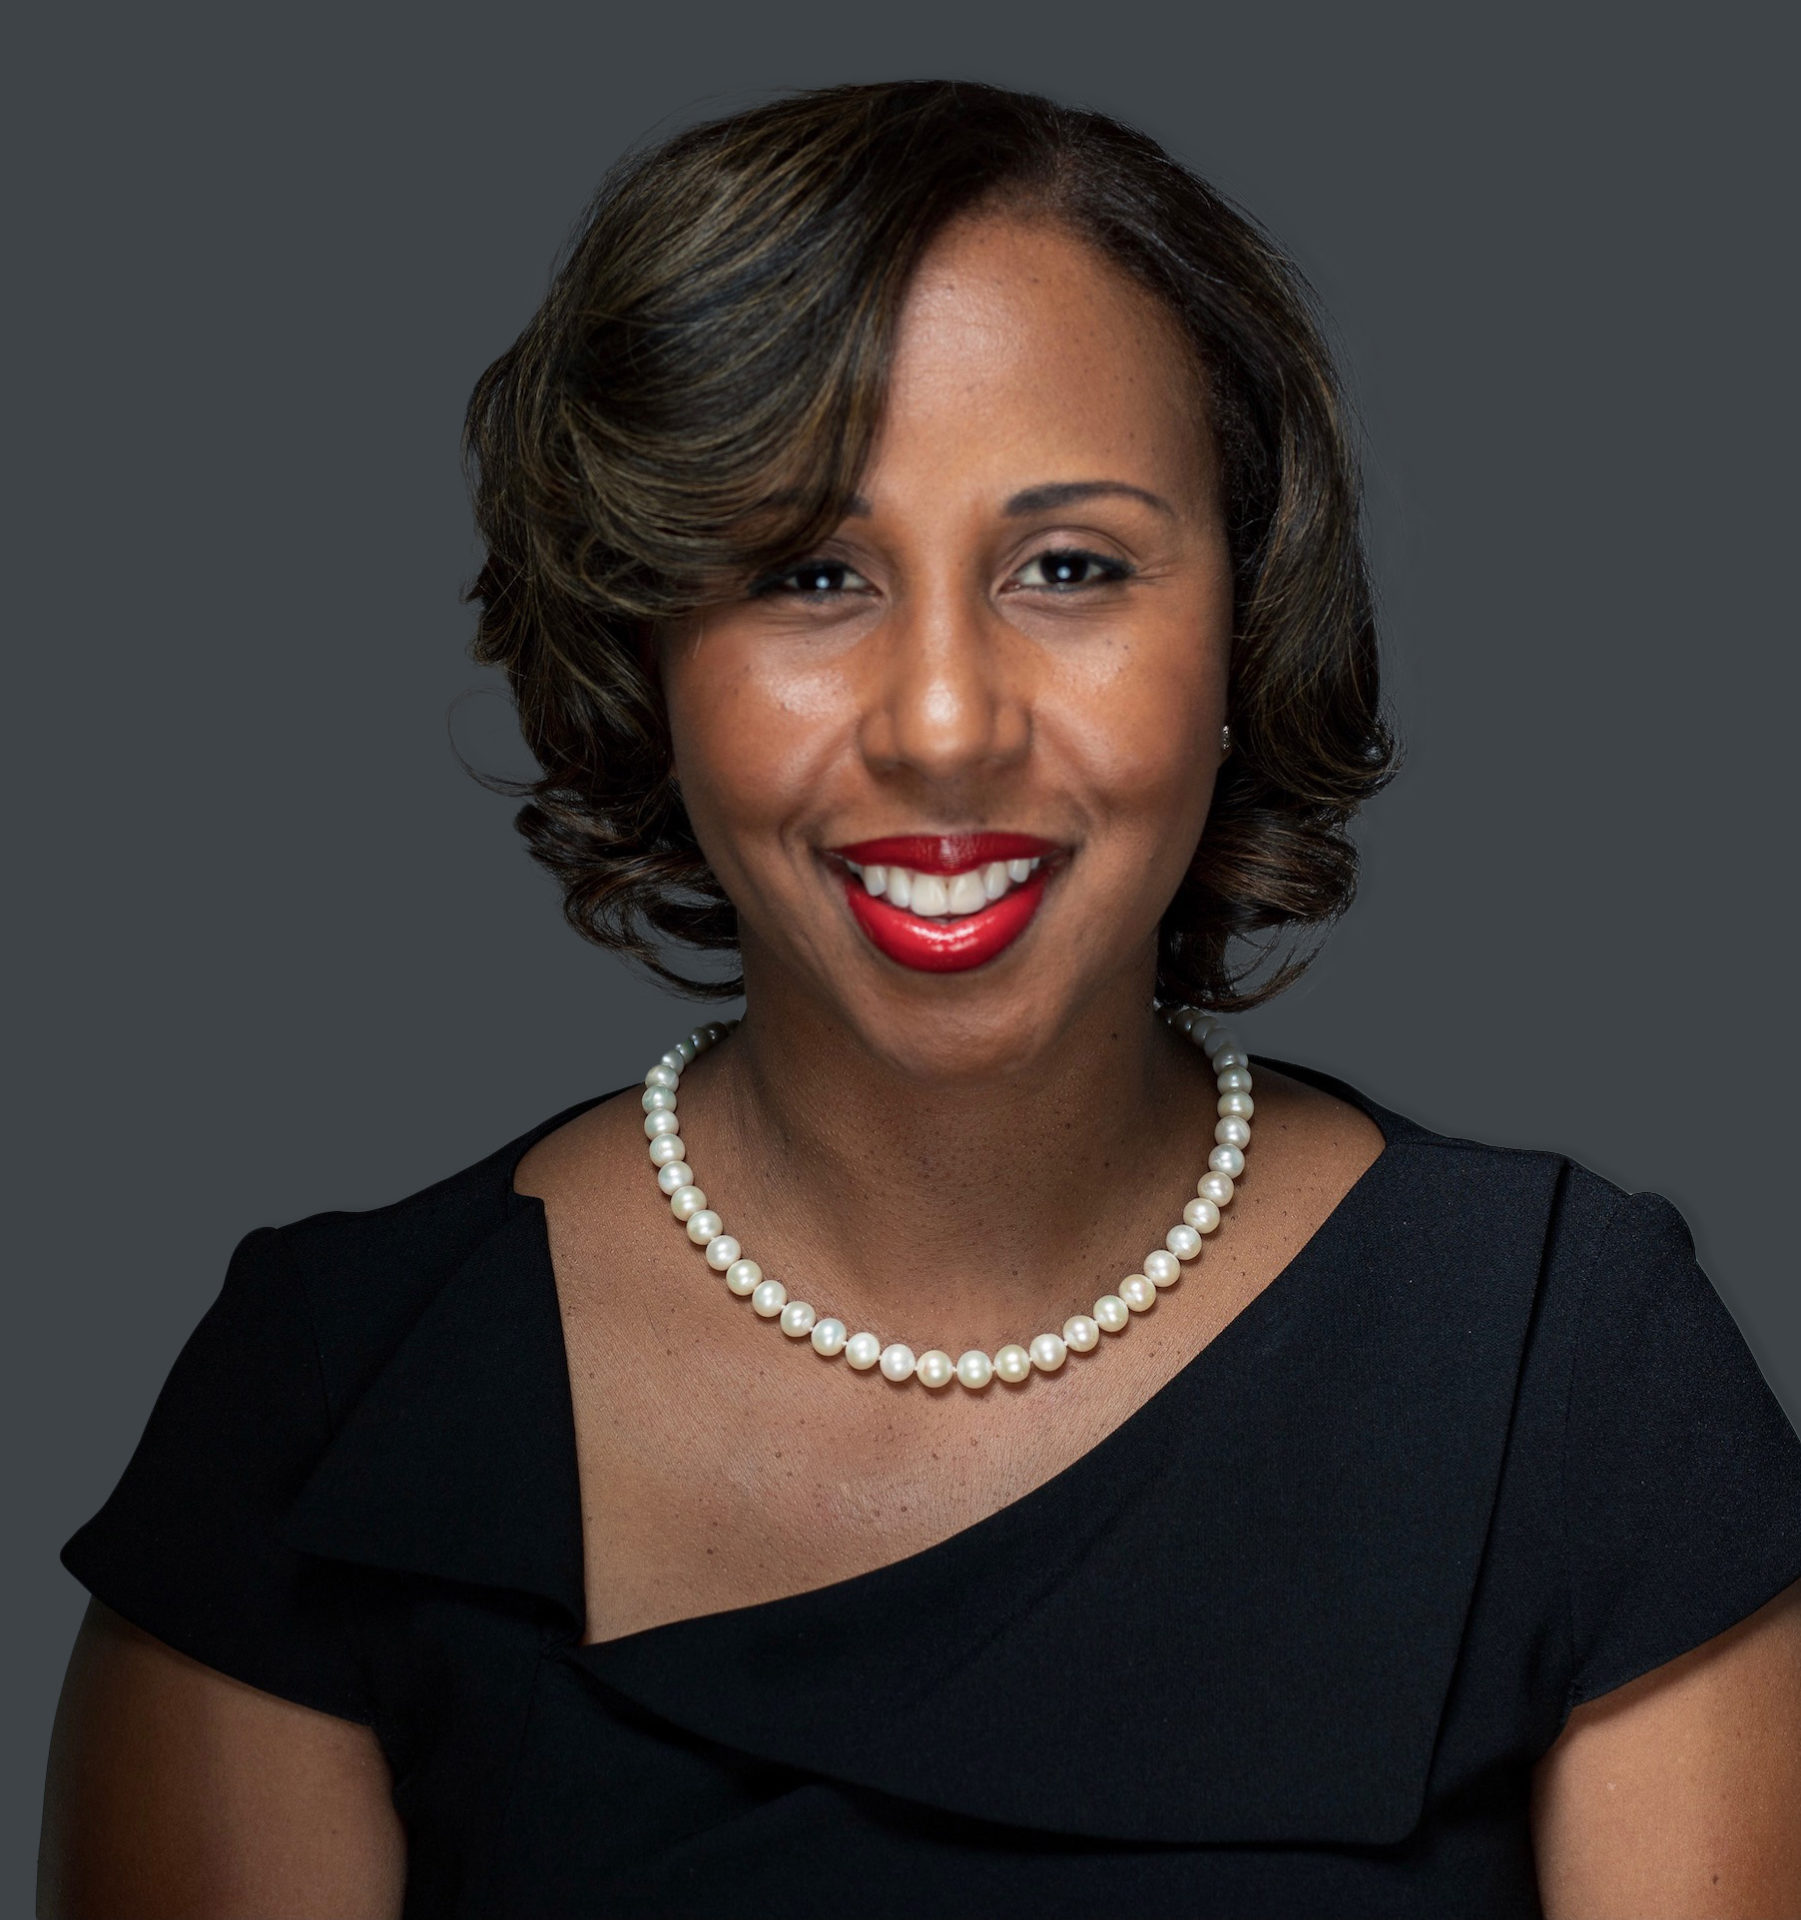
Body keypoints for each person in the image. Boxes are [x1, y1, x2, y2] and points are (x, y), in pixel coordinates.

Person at [39, 79, 1801, 1920]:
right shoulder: (327, 1411)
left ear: (1244, 619)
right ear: (647, 648)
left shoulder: (1566, 1374)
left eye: (1069, 568)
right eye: (808, 573)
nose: (942, 722)